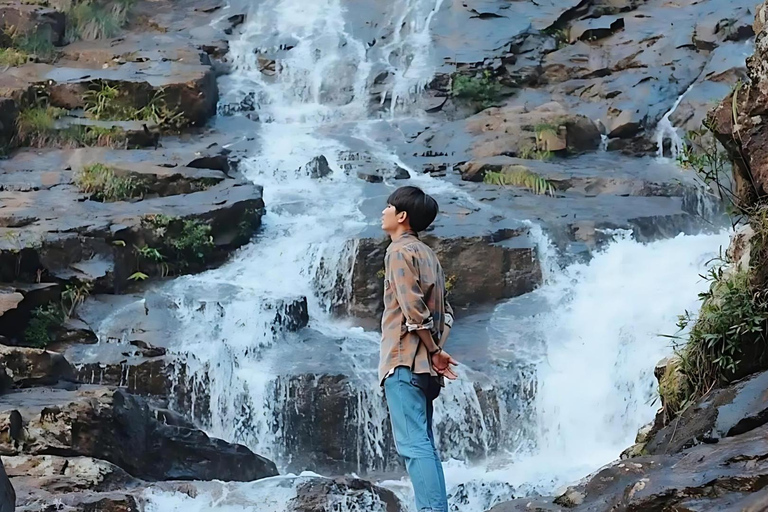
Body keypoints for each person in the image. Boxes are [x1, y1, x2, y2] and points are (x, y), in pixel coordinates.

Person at [379, 185, 458, 512]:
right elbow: (448, 313)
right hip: (424, 368)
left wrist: (433, 349)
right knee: (425, 445)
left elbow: (413, 310)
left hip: (403, 362)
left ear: (402, 216)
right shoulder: (429, 255)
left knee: (414, 446)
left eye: (387, 207)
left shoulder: (397, 252)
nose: (382, 213)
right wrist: (437, 349)